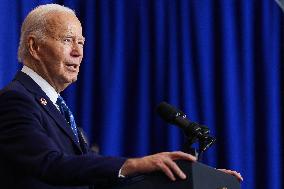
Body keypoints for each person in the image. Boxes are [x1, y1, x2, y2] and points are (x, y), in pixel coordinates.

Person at [0, 4, 242, 189]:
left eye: (81, 42)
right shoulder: (16, 100)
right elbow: (49, 164)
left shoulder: (57, 108)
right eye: (67, 40)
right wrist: (133, 163)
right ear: (35, 47)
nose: (78, 52)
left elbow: (100, 180)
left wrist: (194, 180)